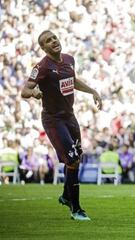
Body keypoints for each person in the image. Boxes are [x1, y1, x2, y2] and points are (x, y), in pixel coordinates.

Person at [21, 30, 102, 221]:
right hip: (53, 120)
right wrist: (34, 94)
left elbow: (72, 81)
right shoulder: (41, 67)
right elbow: (25, 90)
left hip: (70, 117)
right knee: (72, 160)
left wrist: (92, 91)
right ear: (43, 48)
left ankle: (66, 196)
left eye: (54, 38)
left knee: (75, 159)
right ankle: (76, 209)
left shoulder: (69, 59)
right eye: (48, 41)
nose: (53, 42)